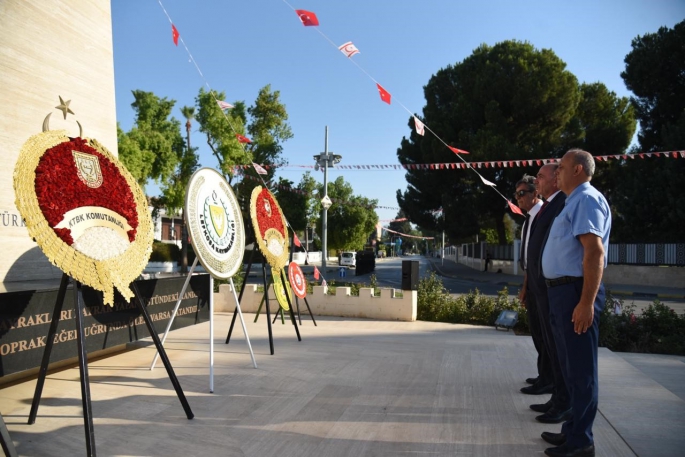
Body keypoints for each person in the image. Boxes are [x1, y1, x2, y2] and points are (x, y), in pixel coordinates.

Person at [540, 149, 611, 457]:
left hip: (575, 294)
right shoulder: (573, 201)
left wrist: (586, 303)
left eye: (563, 168)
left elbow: (594, 254)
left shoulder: (586, 199)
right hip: (562, 293)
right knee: (570, 369)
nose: (557, 173)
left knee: (581, 373)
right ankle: (572, 431)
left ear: (579, 170)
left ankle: (582, 442)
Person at [525, 164, 571, 425]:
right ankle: (557, 396)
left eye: (541, 177)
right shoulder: (548, 206)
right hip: (541, 287)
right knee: (550, 345)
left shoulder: (563, 203)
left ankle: (563, 401)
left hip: (554, 287)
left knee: (558, 348)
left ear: (556, 178)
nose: (537, 182)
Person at [515, 175, 552, 396]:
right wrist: (525, 287)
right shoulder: (529, 218)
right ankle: (543, 375)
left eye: (522, 193)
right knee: (537, 333)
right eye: (516, 194)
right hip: (532, 281)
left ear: (534, 193)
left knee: (545, 334)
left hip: (543, 282)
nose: (518, 198)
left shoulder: (542, 214)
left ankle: (548, 379)